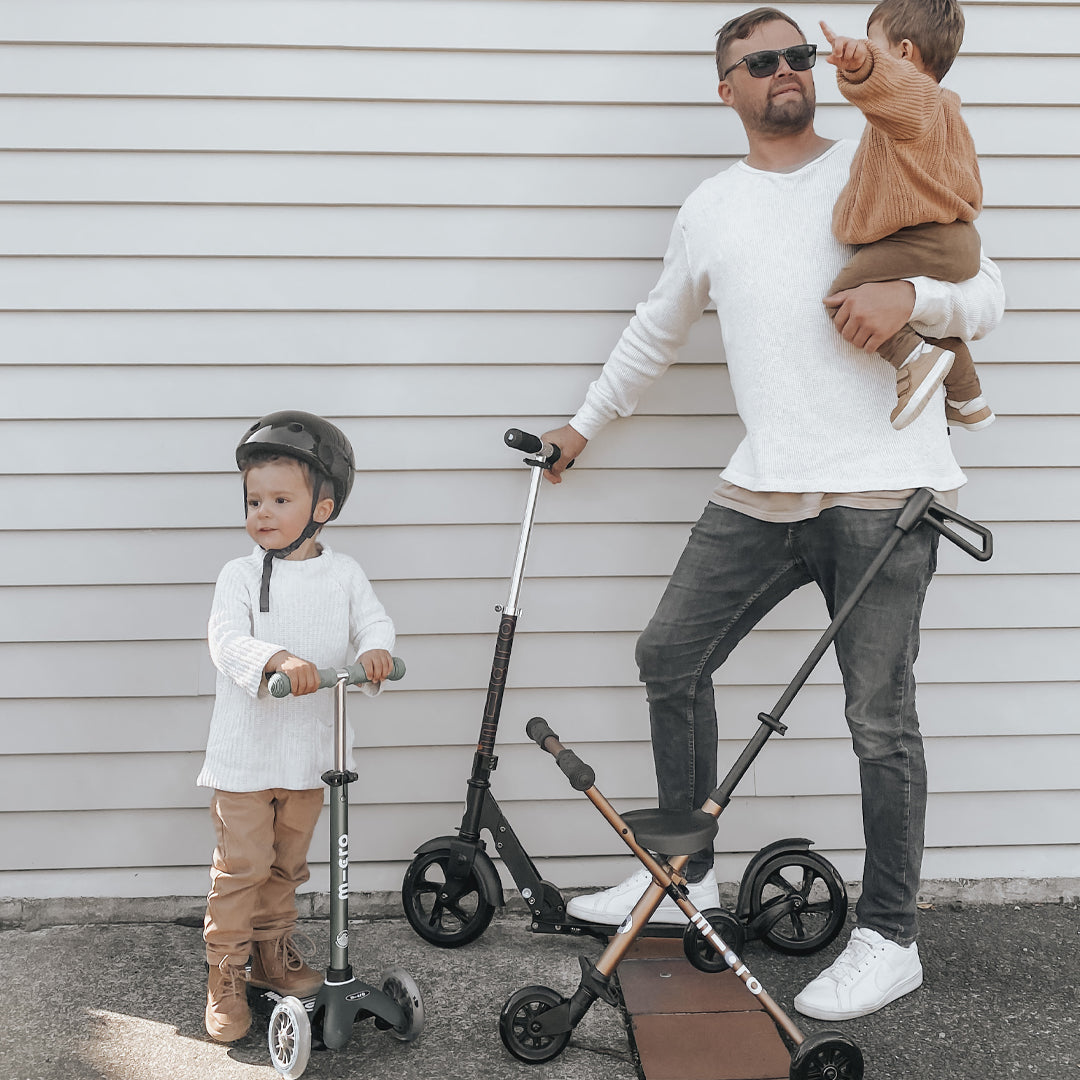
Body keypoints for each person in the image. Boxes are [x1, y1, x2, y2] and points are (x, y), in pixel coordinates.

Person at [540, 6, 1004, 1021]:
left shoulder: (873, 158)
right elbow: (653, 333)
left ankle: (890, 936)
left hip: (884, 488)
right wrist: (580, 427)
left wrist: (912, 303)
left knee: (879, 721)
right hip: (763, 486)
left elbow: (988, 290)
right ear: (728, 88)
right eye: (763, 61)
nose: (788, 69)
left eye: (800, 54)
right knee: (670, 655)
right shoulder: (709, 208)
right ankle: (687, 878)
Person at [198, 410, 396, 1042]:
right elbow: (226, 642)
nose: (263, 511)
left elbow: (374, 623)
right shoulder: (237, 574)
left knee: (286, 869)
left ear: (323, 508)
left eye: (280, 499)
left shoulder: (344, 574)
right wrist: (276, 659)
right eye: (254, 499)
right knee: (242, 869)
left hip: (313, 753)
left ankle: (270, 958)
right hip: (246, 760)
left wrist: (375, 654)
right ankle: (224, 973)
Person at [822, 0, 994, 431]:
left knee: (845, 294)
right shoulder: (941, 112)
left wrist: (862, 65)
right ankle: (968, 399)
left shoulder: (915, 104)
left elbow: (893, 89)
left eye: (871, 42)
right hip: (953, 240)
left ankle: (914, 359)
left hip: (925, 239)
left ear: (902, 52)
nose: (864, 47)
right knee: (922, 317)